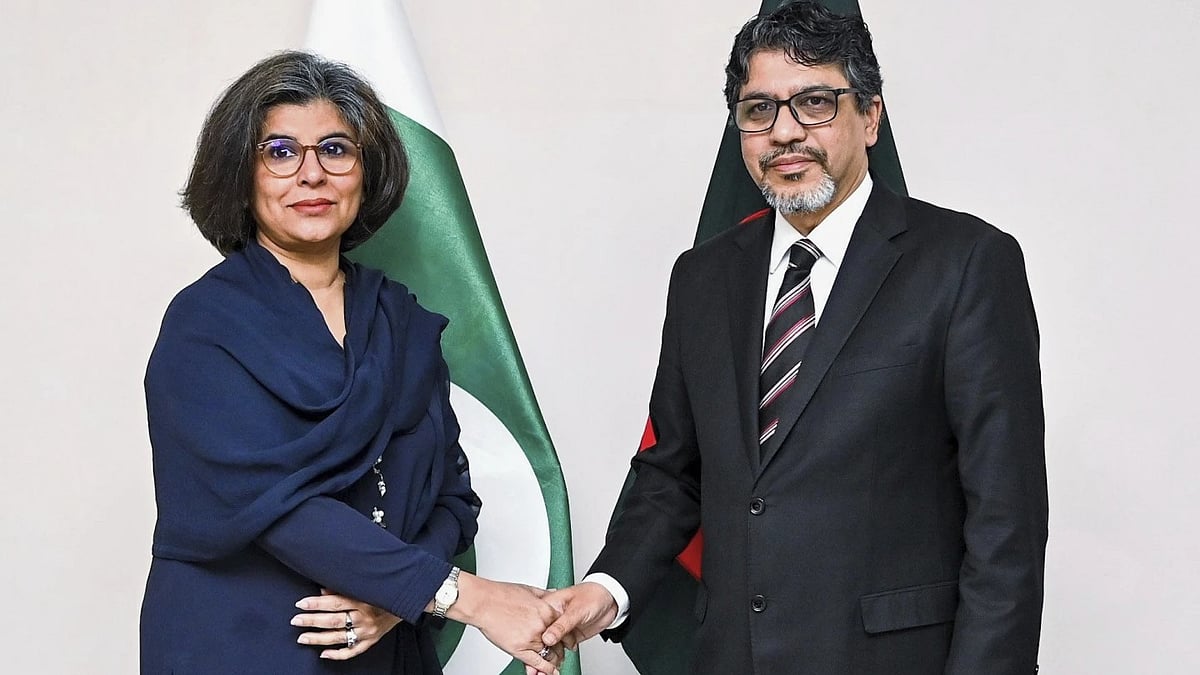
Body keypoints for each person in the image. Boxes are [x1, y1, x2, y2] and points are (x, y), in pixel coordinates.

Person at [540, 2, 1048, 673]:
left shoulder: (966, 263)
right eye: (758, 110)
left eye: (814, 102)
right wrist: (607, 589)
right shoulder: (701, 277)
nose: (784, 132)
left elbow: (1005, 523)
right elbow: (675, 471)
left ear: (870, 116)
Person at [140, 51, 563, 675]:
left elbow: (453, 497)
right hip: (240, 646)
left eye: (335, 149)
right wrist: (456, 594)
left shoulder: (400, 321)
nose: (312, 174)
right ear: (241, 174)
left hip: (384, 648)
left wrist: (396, 600)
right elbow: (275, 508)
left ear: (366, 172)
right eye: (280, 151)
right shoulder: (204, 326)